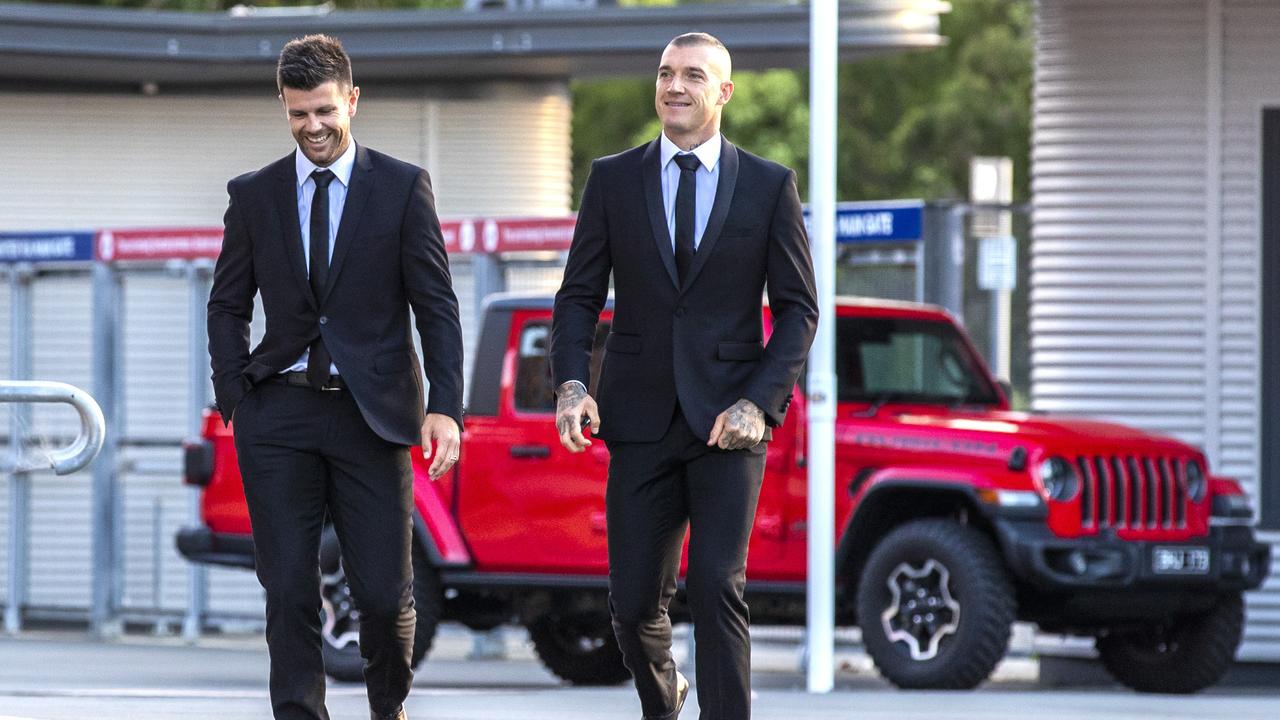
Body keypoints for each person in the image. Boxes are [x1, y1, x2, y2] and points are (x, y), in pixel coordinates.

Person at [550, 32, 818, 720]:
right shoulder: (613, 179)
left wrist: (760, 403)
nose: (674, 85)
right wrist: (573, 385)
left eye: (692, 75)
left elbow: (798, 311)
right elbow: (578, 295)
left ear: (723, 92)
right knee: (634, 601)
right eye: (666, 73)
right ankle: (664, 693)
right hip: (637, 419)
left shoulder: (768, 185)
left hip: (730, 422)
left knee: (717, 584)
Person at [207, 34, 464, 720]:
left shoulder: (403, 187)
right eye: (298, 115)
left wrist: (447, 408)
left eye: (324, 111)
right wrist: (235, 394)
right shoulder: (255, 195)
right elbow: (228, 304)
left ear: (352, 100)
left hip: (370, 415)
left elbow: (436, 307)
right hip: (278, 416)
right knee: (288, 588)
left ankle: (389, 708)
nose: (313, 127)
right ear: (283, 108)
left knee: (384, 594)